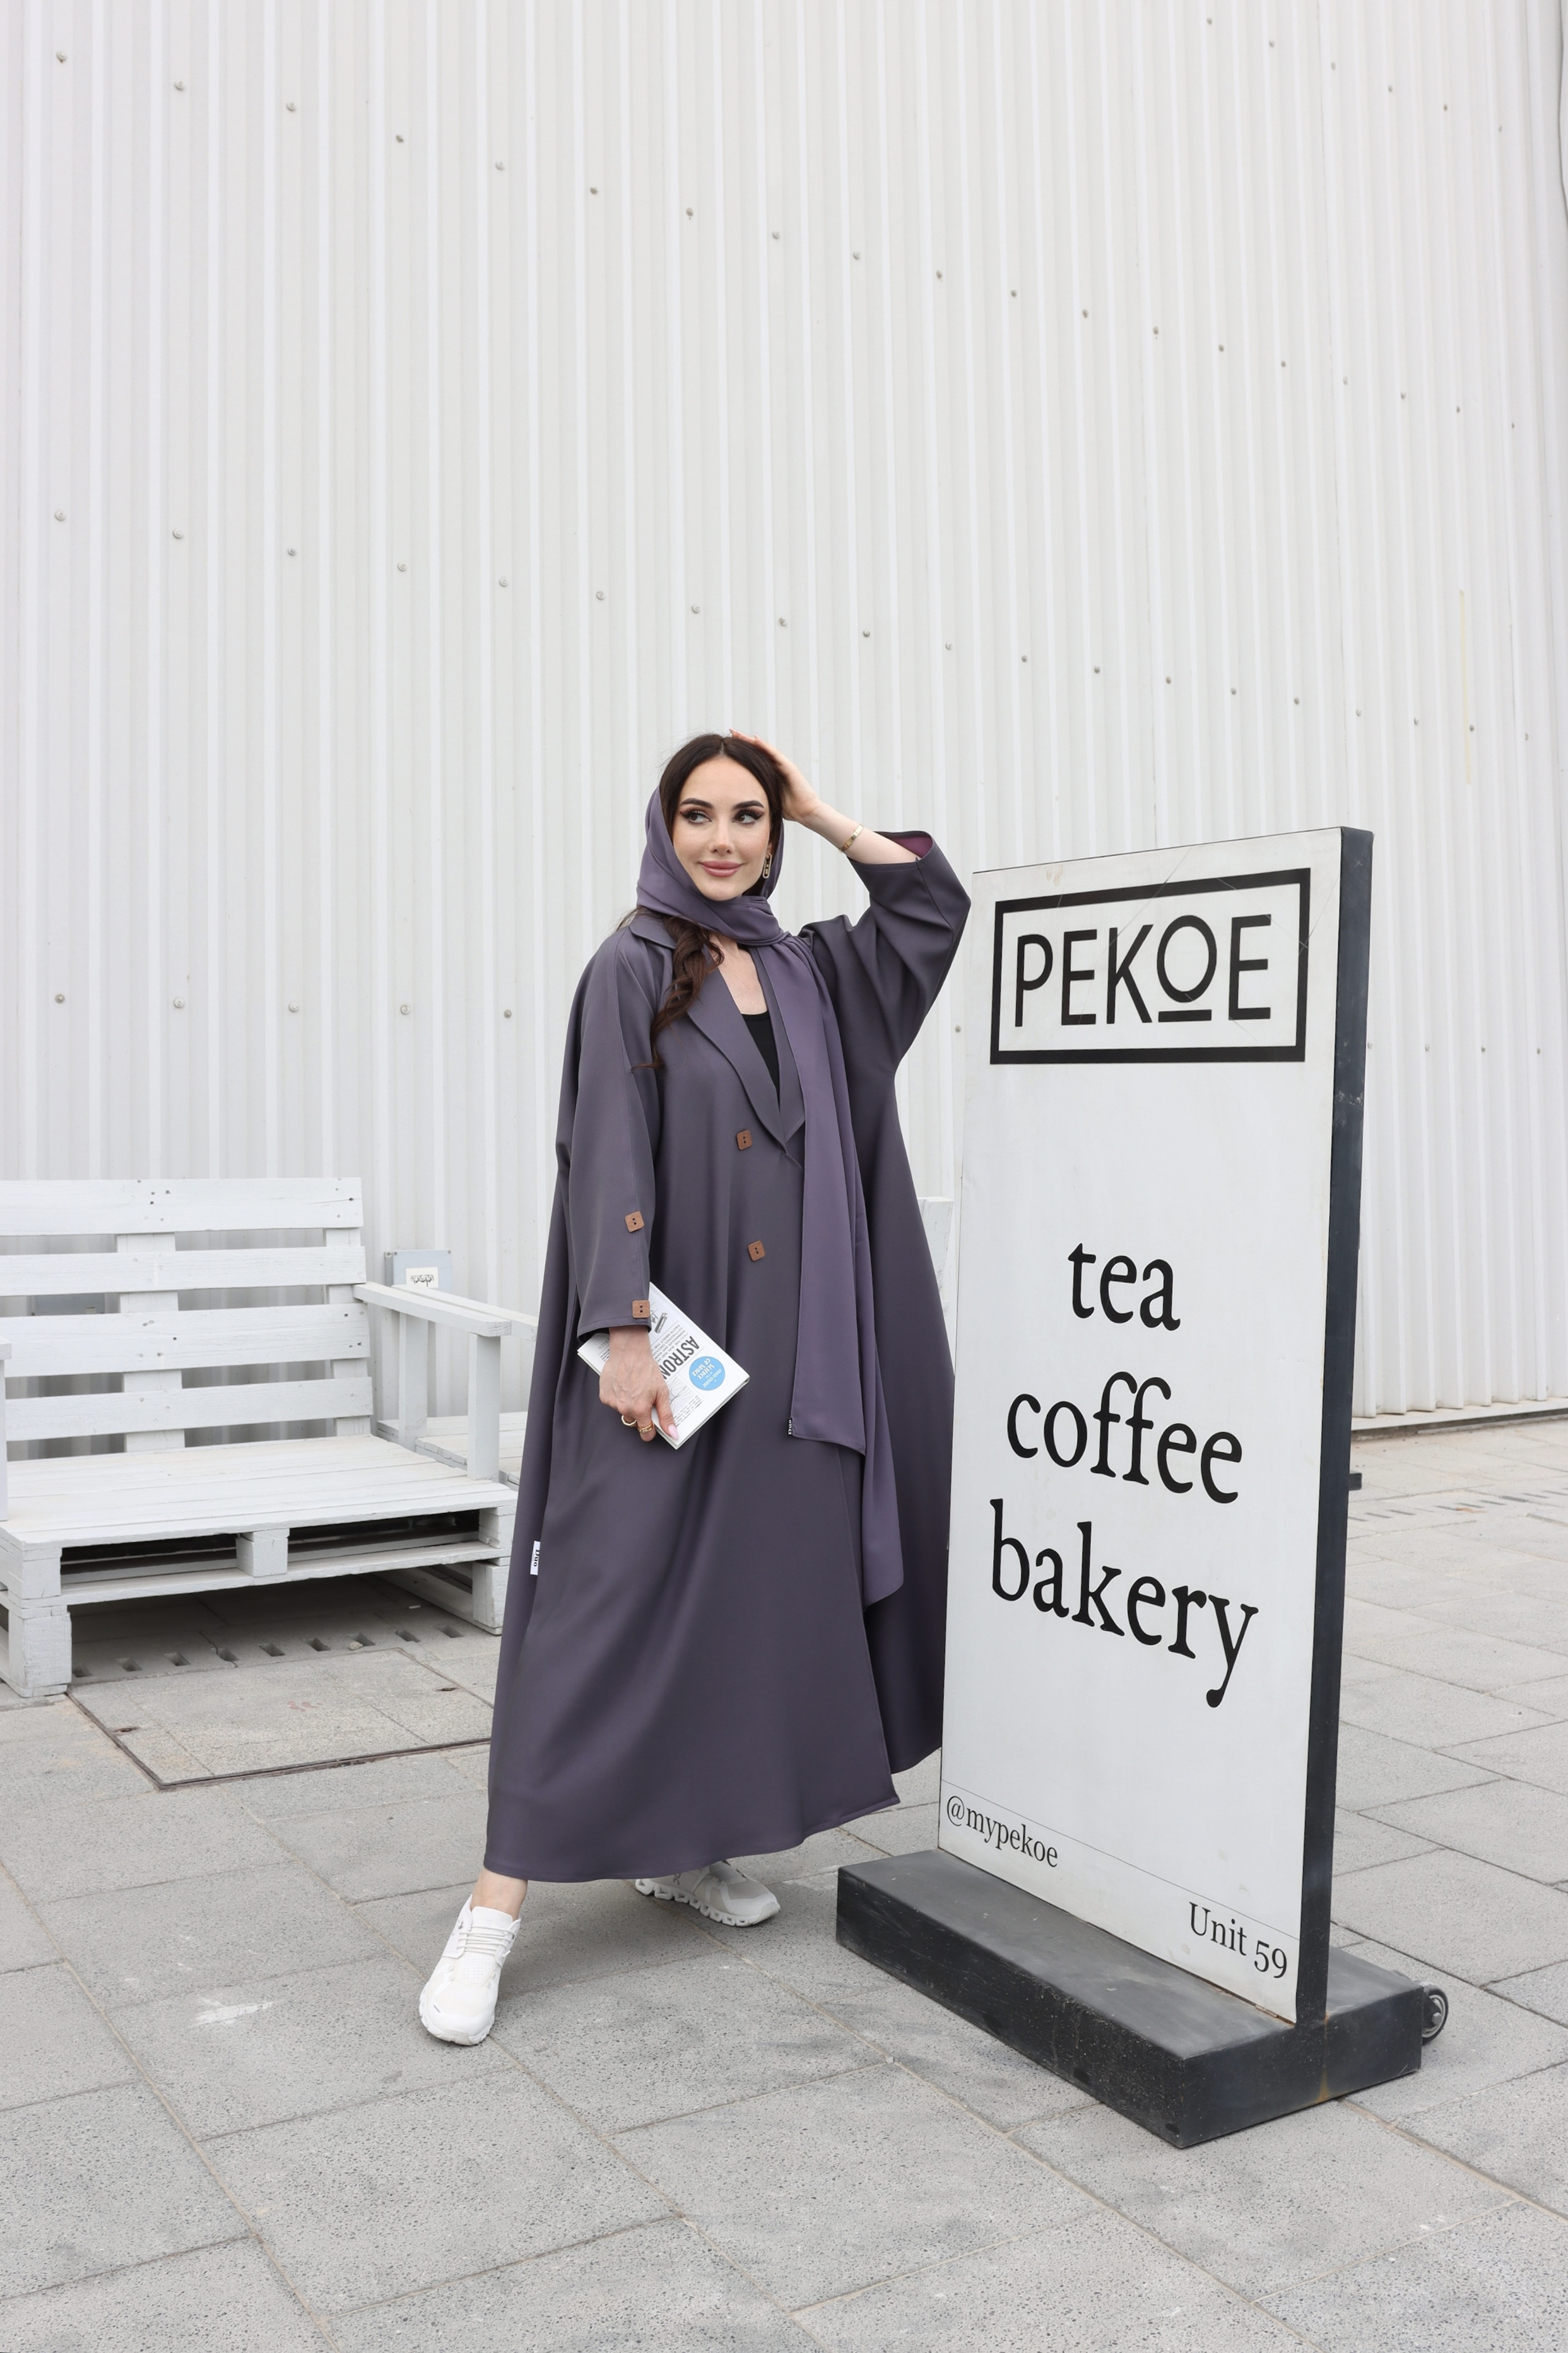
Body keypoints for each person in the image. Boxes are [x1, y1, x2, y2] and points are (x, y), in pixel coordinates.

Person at [420, 730, 969, 2043]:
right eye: (699, 815)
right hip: (675, 1343)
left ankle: (686, 1844)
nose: (723, 839)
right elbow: (602, 1143)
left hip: (802, 1350)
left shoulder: (815, 969)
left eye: (748, 816)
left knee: (748, 1600)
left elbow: (931, 910)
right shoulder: (630, 965)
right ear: (663, 827)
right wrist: (617, 1329)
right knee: (602, 1601)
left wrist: (824, 809)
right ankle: (492, 1908)